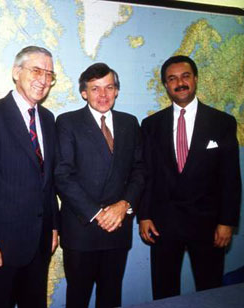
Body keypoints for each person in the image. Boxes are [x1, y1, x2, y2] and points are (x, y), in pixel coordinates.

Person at [0, 46, 60, 308]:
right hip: (0, 246)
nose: (43, 79)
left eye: (49, 74)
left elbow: (47, 181)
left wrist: (53, 226)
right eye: (36, 70)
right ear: (16, 72)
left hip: (39, 243)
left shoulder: (49, 120)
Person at [139, 55, 241, 299]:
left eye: (185, 76)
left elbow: (230, 177)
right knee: (164, 293)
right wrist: (144, 216)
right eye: (172, 79)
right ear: (166, 85)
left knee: (211, 291)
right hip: (164, 225)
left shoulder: (222, 122)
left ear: (195, 79)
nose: (180, 83)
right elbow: (147, 174)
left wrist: (227, 222)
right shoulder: (151, 125)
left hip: (208, 225)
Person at [55, 63, 145, 308]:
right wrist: (96, 213)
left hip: (118, 228)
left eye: (109, 87)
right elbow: (63, 175)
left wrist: (124, 205)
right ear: (84, 92)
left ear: (117, 91)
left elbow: (139, 169)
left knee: (111, 296)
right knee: (78, 298)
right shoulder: (67, 122)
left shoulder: (130, 122)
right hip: (81, 229)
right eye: (95, 89)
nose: (103, 95)